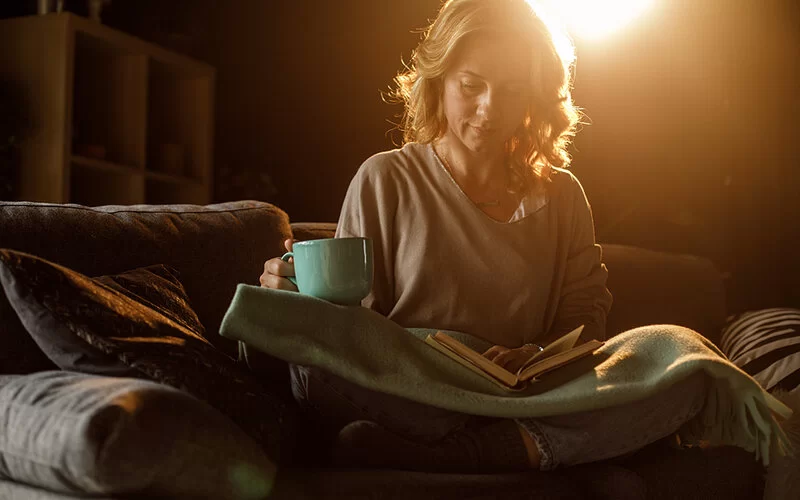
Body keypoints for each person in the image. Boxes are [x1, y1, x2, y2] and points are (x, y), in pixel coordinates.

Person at [259, 0, 708, 472]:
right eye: (471, 86)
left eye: (512, 91)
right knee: (312, 368)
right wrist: (296, 295)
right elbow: (354, 333)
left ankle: (474, 453)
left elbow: (585, 316)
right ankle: (527, 448)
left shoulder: (563, 195)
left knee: (686, 368)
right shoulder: (385, 178)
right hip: (416, 389)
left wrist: (535, 354)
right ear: (439, 80)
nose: (489, 109)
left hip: (528, 395)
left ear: (535, 96)